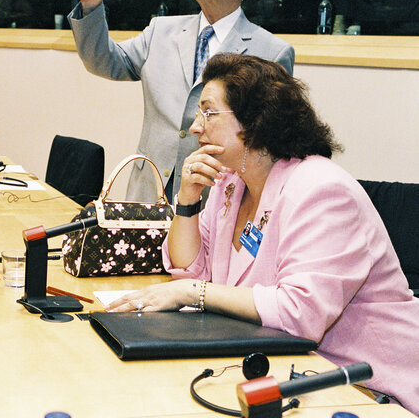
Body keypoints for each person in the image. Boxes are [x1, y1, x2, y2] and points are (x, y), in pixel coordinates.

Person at [107, 53, 419, 414]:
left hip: (364, 383)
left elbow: (298, 313)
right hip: (281, 363)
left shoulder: (322, 189)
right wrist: (187, 201)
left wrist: (191, 292)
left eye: (208, 112)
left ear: (254, 121)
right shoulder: (230, 182)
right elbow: (189, 269)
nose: (195, 126)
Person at [69, 0, 294, 203]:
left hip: (217, 197)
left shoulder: (271, 52)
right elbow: (102, 61)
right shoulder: (161, 31)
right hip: (148, 192)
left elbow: (268, 143)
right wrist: (91, 7)